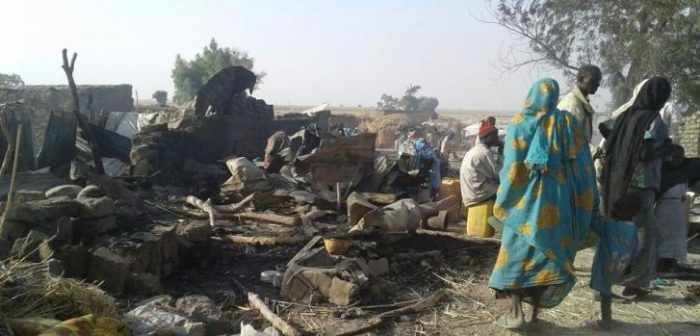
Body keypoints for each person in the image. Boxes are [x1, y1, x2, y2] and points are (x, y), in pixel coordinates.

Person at [489, 78, 598, 329]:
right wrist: (585, 202)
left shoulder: (519, 124)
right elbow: (583, 166)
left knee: (516, 255)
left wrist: (504, 200)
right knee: (546, 257)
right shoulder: (568, 123)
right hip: (557, 204)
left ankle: (516, 314)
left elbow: (513, 168)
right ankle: (535, 315)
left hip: (524, 205)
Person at [599, 76, 672, 297]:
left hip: (615, 181)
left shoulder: (624, 116)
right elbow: (645, 153)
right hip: (640, 185)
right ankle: (635, 282)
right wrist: (667, 148)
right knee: (646, 235)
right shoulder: (655, 121)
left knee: (615, 232)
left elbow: (605, 130)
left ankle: (605, 279)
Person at [589, 192, 643, 330]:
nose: (612, 211)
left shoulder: (609, 225)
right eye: (614, 207)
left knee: (605, 293)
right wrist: (630, 266)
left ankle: (606, 321)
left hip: (605, 264)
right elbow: (634, 250)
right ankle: (606, 317)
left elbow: (594, 224)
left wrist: (590, 208)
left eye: (618, 209)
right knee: (606, 289)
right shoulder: (634, 231)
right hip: (619, 266)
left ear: (630, 212)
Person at [656, 145, 700, 273]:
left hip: (678, 209)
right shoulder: (661, 171)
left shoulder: (684, 172)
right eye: (674, 157)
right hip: (663, 208)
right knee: (663, 238)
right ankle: (660, 264)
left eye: (680, 157)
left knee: (677, 237)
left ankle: (672, 264)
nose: (677, 160)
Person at [557, 65, 602, 143]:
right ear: (581, 79)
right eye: (594, 80)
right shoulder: (572, 104)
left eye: (598, 81)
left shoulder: (581, 102)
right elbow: (572, 141)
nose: (598, 84)